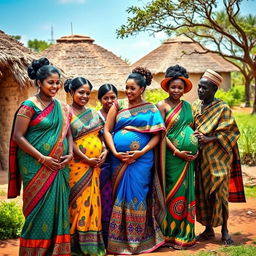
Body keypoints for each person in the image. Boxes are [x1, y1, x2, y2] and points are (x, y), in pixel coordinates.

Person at [8, 57, 73, 255]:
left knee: (57, 210)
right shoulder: (29, 106)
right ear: (39, 82)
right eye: (50, 82)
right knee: (37, 211)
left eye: (57, 83)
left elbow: (68, 132)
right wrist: (42, 158)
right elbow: (18, 137)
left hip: (59, 166)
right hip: (35, 166)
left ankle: (57, 251)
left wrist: (70, 153)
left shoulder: (61, 107)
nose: (54, 86)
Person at [104, 67, 166, 254]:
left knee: (138, 195)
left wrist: (140, 152)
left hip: (142, 160)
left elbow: (157, 136)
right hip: (118, 160)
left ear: (141, 89)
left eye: (132, 88)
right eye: (127, 88)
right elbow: (107, 130)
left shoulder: (151, 109)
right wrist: (115, 151)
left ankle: (137, 240)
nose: (128, 92)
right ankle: (117, 240)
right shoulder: (118, 106)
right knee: (119, 196)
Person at [192, 69, 246, 245]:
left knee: (219, 194)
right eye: (199, 87)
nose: (200, 91)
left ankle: (225, 231)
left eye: (204, 88)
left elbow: (232, 132)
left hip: (218, 158)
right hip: (201, 159)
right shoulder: (194, 106)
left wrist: (209, 138)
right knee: (203, 193)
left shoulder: (222, 108)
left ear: (214, 90)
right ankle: (208, 230)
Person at [64, 77, 107, 256]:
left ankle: (92, 245)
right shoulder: (66, 112)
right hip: (77, 166)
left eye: (88, 93)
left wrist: (104, 151)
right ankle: (76, 245)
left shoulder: (95, 114)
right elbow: (69, 140)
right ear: (72, 92)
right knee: (77, 203)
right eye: (81, 92)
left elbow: (102, 136)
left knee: (93, 204)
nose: (84, 96)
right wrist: (85, 158)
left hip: (95, 167)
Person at [157, 65, 198, 249]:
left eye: (180, 87)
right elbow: (161, 134)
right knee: (171, 194)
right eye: (173, 87)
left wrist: (195, 146)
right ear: (167, 87)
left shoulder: (188, 106)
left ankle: (184, 234)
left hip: (188, 160)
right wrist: (177, 151)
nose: (176, 90)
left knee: (186, 192)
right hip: (170, 159)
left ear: (184, 89)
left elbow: (192, 129)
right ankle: (168, 234)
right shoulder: (162, 106)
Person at [97, 84, 118, 246]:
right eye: (106, 98)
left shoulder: (121, 114)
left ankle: (118, 236)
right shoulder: (97, 117)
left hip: (121, 162)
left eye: (112, 97)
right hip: (104, 164)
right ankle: (105, 237)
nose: (109, 101)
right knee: (105, 199)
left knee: (118, 198)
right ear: (100, 99)